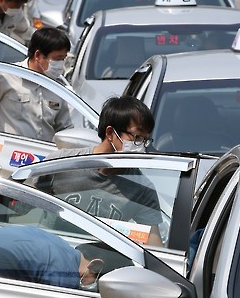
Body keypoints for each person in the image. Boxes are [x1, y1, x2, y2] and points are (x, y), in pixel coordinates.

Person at [41, 95, 164, 247]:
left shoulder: (142, 188)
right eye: (137, 137)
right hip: (52, 252)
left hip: (101, 261)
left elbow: (153, 243)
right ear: (110, 133)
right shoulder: (61, 164)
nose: (141, 146)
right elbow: (22, 204)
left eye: (145, 140)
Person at [0, 27, 73, 156]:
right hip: (7, 157)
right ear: (38, 55)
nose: (61, 65)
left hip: (42, 159)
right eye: (57, 59)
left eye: (63, 59)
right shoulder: (6, 77)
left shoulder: (57, 86)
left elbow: (65, 129)